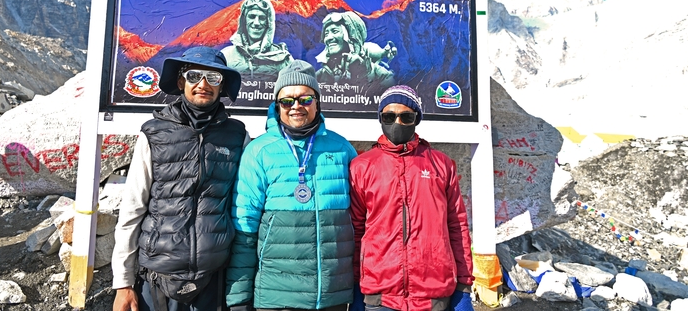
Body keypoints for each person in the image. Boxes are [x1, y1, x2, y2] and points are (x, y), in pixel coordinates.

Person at [112, 46, 250, 311]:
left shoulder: (237, 137)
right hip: (157, 278)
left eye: (214, 78)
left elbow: (241, 208)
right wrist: (123, 284)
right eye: (194, 75)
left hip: (215, 278)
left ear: (222, 87)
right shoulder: (153, 134)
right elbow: (132, 211)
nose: (203, 84)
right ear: (180, 81)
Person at [226, 60, 357, 310]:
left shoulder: (342, 149)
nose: (296, 106)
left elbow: (359, 222)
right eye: (287, 101)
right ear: (277, 106)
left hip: (333, 298)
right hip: (278, 298)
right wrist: (239, 299)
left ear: (318, 103)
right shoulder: (259, 152)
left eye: (305, 99)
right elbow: (244, 229)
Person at [349, 85, 474, 311]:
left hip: (432, 295)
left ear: (416, 119)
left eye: (406, 116)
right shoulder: (362, 166)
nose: (397, 122)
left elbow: (457, 226)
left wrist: (464, 286)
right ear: (380, 118)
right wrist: (357, 286)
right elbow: (355, 230)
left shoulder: (441, 165)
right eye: (389, 116)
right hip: (380, 296)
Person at [315, 11, 396, 87]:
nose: (328, 38)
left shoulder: (382, 76)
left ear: (352, 37)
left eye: (335, 31)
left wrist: (362, 73)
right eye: (326, 34)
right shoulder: (318, 77)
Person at [221, 0, 293, 78]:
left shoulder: (284, 60)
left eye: (262, 18)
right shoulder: (226, 56)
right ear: (243, 20)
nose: (256, 23)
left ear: (268, 23)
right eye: (252, 16)